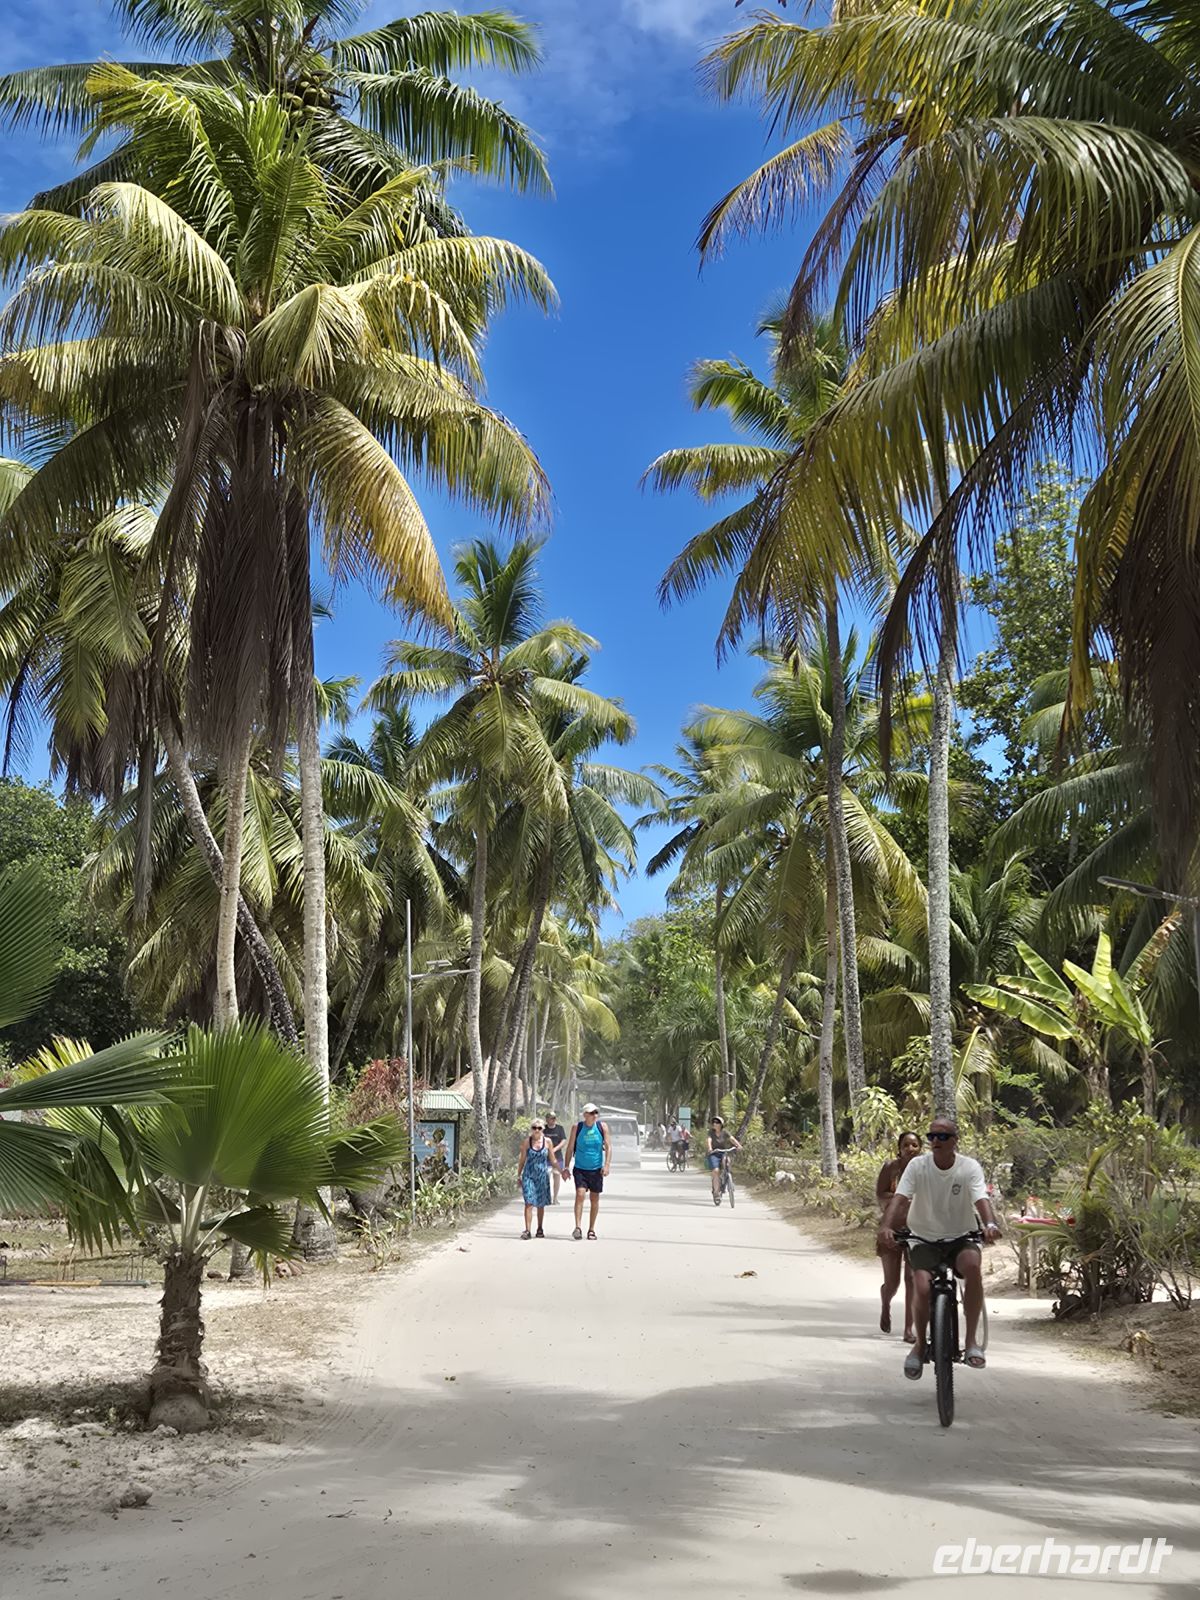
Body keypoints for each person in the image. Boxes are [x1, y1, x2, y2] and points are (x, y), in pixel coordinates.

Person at [878, 1116, 1002, 1378]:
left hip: (961, 1236)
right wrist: (886, 1227)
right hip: (924, 1237)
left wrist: (990, 1224)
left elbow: (980, 1198)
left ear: (955, 1141)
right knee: (921, 1285)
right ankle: (919, 1347)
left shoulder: (968, 1167)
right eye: (932, 1136)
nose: (936, 1141)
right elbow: (899, 1199)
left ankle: (971, 1342)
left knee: (972, 1267)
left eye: (943, 1136)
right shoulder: (918, 1167)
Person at [875, 1130, 921, 1340]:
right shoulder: (890, 1168)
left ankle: (909, 1329)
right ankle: (886, 1302)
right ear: (899, 1149)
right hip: (891, 1229)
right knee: (893, 1283)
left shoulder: (925, 1169)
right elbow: (880, 1194)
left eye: (914, 1145)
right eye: (906, 1145)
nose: (910, 1149)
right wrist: (901, 1198)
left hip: (917, 1230)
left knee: (911, 1279)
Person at [563, 1103, 610, 1240]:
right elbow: (570, 1148)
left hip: (596, 1169)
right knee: (580, 1194)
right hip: (580, 1168)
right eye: (591, 1113)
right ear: (585, 1115)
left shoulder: (602, 1127)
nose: (594, 1115)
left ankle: (591, 1229)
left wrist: (607, 1165)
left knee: (594, 1199)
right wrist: (566, 1167)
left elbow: (608, 1147)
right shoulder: (577, 1128)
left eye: (596, 1112)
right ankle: (578, 1227)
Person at [517, 1118, 557, 1239]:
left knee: (540, 1204)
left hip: (542, 1176)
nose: (537, 1130)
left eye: (539, 1128)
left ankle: (540, 1228)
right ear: (531, 1129)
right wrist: (518, 1175)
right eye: (534, 1128)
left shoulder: (548, 1142)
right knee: (529, 1202)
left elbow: (553, 1160)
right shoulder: (527, 1142)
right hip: (529, 1175)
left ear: (543, 1129)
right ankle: (527, 1230)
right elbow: (522, 1160)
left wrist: (562, 1171)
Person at [706, 1116, 742, 1201]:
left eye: (717, 1122)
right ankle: (716, 1192)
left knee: (727, 1161)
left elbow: (732, 1139)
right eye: (714, 1122)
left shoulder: (725, 1132)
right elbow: (709, 1140)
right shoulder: (711, 1132)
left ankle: (727, 1177)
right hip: (714, 1153)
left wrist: (738, 1145)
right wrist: (710, 1148)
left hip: (723, 1152)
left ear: (721, 1124)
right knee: (716, 1171)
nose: (715, 1124)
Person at [543, 1110, 567, 1205]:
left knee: (556, 1176)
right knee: (545, 1177)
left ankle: (555, 1198)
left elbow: (563, 1140)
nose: (553, 1120)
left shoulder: (560, 1128)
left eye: (554, 1118)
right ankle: (546, 1197)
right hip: (545, 1157)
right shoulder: (543, 1129)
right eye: (551, 1118)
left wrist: (555, 1149)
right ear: (547, 1119)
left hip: (557, 1157)